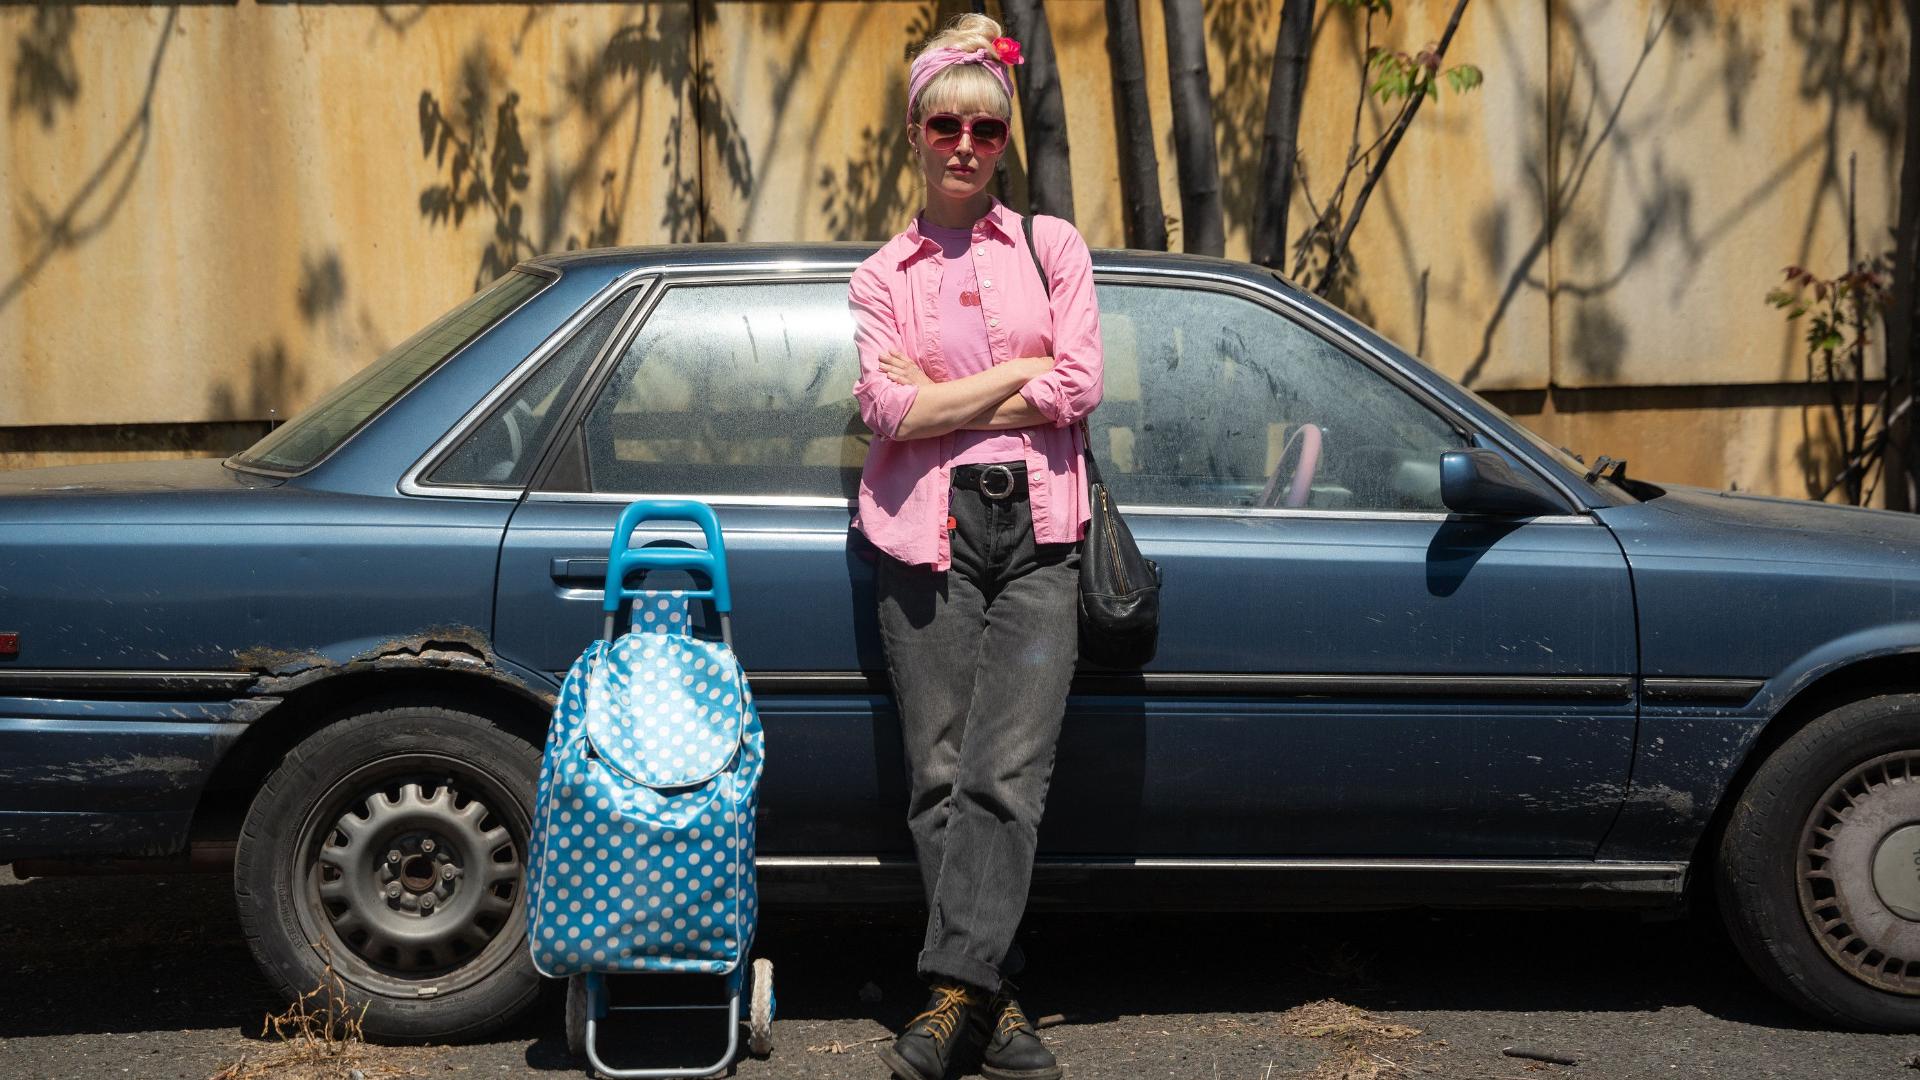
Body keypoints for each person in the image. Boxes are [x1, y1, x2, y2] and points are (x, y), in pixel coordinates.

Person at [846, 13, 1104, 1080]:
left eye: (986, 129)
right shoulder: (881, 276)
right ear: (914, 132)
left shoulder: (1053, 247)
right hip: (925, 536)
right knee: (940, 777)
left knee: (1007, 774)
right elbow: (885, 412)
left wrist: (942, 395)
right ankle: (991, 1005)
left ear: (1004, 141)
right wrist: (1012, 380)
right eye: (945, 124)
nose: (965, 143)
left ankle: (953, 995)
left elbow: (1079, 383)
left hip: (1040, 533)